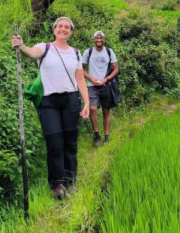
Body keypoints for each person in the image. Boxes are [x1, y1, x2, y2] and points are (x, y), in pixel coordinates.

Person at [11, 17, 90, 200]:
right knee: (54, 143)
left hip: (70, 100)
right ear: (54, 29)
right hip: (49, 103)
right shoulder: (45, 47)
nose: (63, 29)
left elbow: (80, 80)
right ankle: (57, 184)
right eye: (60, 26)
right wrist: (21, 46)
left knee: (70, 142)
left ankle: (70, 180)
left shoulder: (76, 53)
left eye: (67, 27)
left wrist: (86, 102)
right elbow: (31, 53)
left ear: (71, 31)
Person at [82, 31, 119, 147]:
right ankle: (97, 135)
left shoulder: (109, 51)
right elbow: (81, 69)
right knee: (92, 109)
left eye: (101, 38)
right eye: (97, 38)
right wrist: (90, 78)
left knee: (106, 111)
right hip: (92, 86)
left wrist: (106, 79)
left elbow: (116, 69)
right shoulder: (88, 52)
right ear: (93, 39)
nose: (99, 40)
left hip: (105, 86)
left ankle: (106, 136)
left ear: (103, 39)